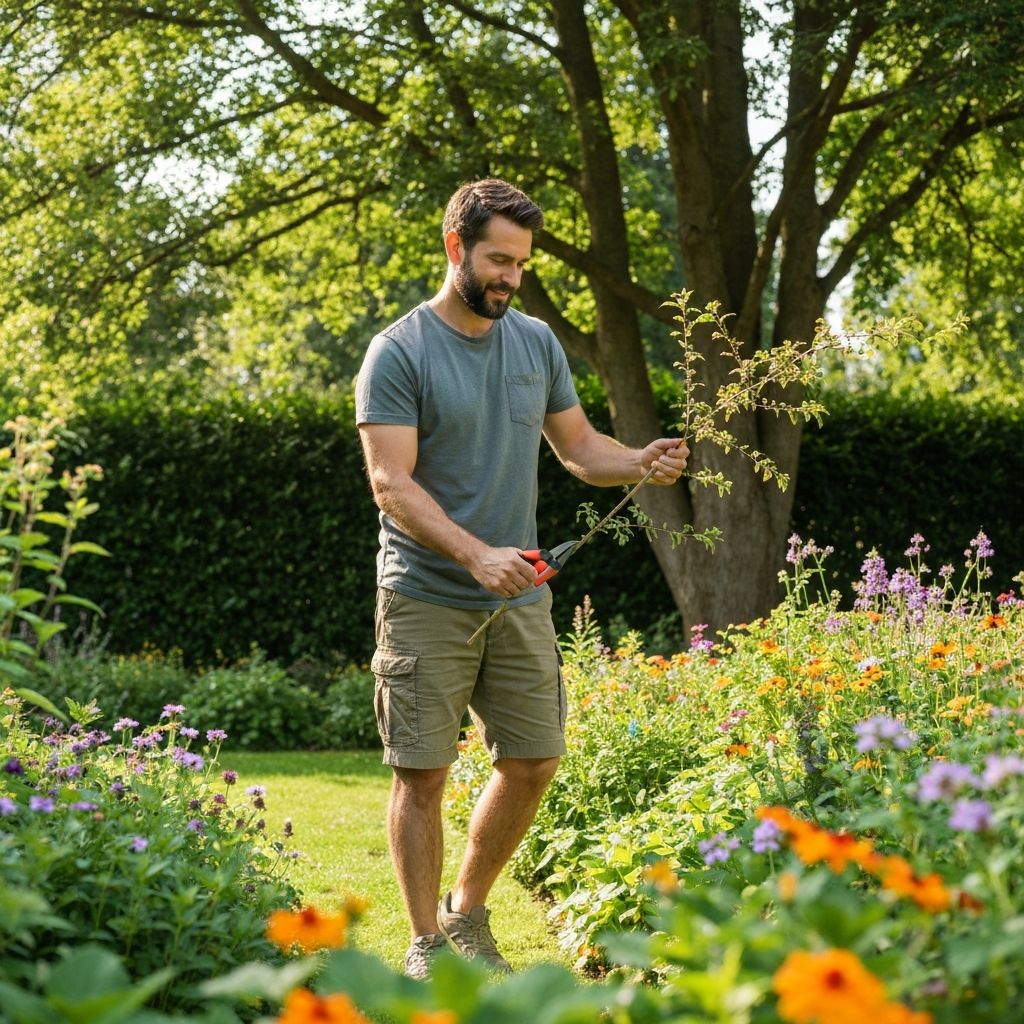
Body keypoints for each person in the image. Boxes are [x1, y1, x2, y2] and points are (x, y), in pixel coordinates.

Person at [355, 178, 687, 979]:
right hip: (427, 593)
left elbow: (580, 449)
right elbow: (391, 483)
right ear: (456, 248)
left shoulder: (535, 343)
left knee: (535, 759)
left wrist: (637, 461)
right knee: (423, 774)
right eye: (498, 260)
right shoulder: (399, 352)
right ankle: (425, 943)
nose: (510, 277)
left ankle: (466, 910)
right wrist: (475, 554)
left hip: (520, 595)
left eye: (521, 264)